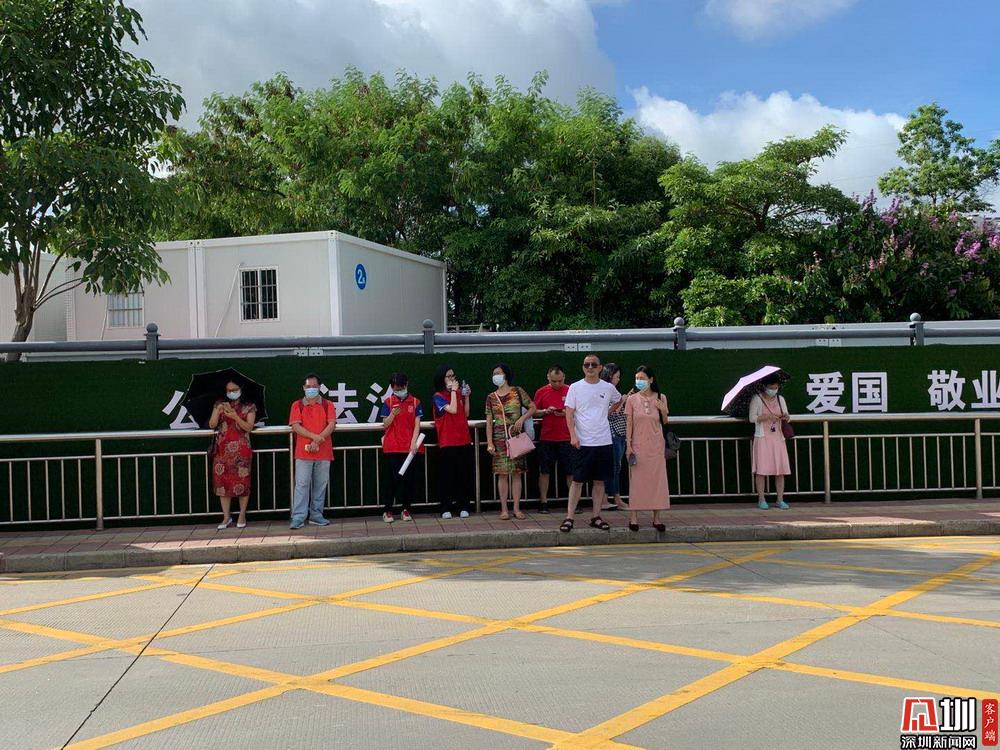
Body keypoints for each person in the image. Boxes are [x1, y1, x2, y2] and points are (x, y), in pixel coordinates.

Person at [561, 354, 621, 532]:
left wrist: (607, 412)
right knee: (577, 481)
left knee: (599, 481)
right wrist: (573, 435)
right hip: (583, 442)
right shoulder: (575, 387)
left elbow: (619, 400)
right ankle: (569, 517)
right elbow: (569, 413)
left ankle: (596, 516)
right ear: (583, 367)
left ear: (600, 368)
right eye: (587, 364)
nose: (590, 367)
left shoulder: (608, 387)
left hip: (603, 441)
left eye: (594, 364)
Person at [485, 363, 535, 520]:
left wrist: (522, 419)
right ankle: (504, 509)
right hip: (499, 439)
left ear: (506, 375)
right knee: (502, 474)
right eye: (494, 373)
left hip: (515, 437)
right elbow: (489, 421)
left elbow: (532, 407)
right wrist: (489, 442)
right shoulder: (491, 397)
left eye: (498, 373)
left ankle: (517, 508)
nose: (495, 376)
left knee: (516, 473)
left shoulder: (517, 391)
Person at [288, 374, 337, 529]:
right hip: (303, 453)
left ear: (319, 387)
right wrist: (314, 437)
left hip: (324, 452)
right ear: (303, 388)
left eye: (314, 386)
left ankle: (316, 515)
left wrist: (317, 440)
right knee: (301, 485)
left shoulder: (328, 404)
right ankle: (298, 517)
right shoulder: (297, 405)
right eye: (308, 386)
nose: (311, 389)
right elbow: (295, 426)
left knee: (320, 485)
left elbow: (331, 424)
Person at [624, 366, 670, 531]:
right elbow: (629, 423)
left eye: (642, 378)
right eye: (637, 378)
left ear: (651, 379)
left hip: (656, 445)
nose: (639, 381)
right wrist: (628, 445)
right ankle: (633, 517)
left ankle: (657, 518)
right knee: (637, 481)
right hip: (638, 445)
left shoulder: (661, 397)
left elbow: (665, 422)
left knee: (657, 480)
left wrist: (664, 411)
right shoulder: (631, 399)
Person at [209, 380, 257, 530]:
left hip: (241, 451)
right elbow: (212, 424)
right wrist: (217, 412)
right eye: (228, 390)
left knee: (242, 482)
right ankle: (226, 516)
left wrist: (236, 417)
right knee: (222, 484)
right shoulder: (219, 404)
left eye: (234, 389)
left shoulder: (249, 406)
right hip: (222, 451)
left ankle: (242, 515)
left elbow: (249, 427)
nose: (231, 392)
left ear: (241, 389)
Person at [380, 372, 424, 523]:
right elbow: (385, 424)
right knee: (392, 480)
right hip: (393, 447)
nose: (398, 391)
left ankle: (406, 509)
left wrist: (413, 442)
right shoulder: (388, 402)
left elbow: (417, 424)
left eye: (401, 388)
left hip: (409, 448)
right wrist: (392, 414)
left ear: (406, 385)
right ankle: (387, 510)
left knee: (408, 480)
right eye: (395, 388)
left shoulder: (415, 402)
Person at [432, 364, 473, 519]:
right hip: (447, 442)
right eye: (448, 376)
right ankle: (445, 508)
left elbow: (465, 413)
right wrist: (455, 392)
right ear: (442, 379)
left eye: (453, 376)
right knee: (446, 477)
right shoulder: (438, 396)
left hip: (463, 440)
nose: (452, 379)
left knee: (463, 476)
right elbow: (453, 409)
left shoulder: (458, 393)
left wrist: (466, 396)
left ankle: (464, 506)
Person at [532, 364, 574, 514]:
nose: (557, 384)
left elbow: (579, 410)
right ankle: (543, 502)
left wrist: (566, 413)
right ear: (548, 378)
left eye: (560, 381)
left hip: (567, 437)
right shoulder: (541, 392)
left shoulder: (571, 390)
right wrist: (545, 411)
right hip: (547, 437)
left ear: (564, 378)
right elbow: (533, 411)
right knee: (544, 471)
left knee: (570, 471)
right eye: (553, 381)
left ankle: (573, 502)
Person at [749, 377, 792, 510]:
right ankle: (761, 499)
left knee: (780, 470)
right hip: (762, 438)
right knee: (761, 470)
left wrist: (785, 417)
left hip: (778, 438)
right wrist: (767, 417)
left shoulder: (780, 399)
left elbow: (787, 415)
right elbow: (752, 418)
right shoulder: (757, 399)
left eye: (776, 388)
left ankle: (780, 499)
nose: (773, 390)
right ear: (764, 387)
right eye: (771, 388)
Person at [600, 363, 630, 511]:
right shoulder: (605, 391)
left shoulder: (611, 391)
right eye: (616, 376)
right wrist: (622, 401)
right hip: (612, 433)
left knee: (615, 467)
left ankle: (608, 497)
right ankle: (612, 498)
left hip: (618, 433)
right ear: (610, 376)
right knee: (613, 467)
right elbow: (608, 413)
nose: (618, 379)